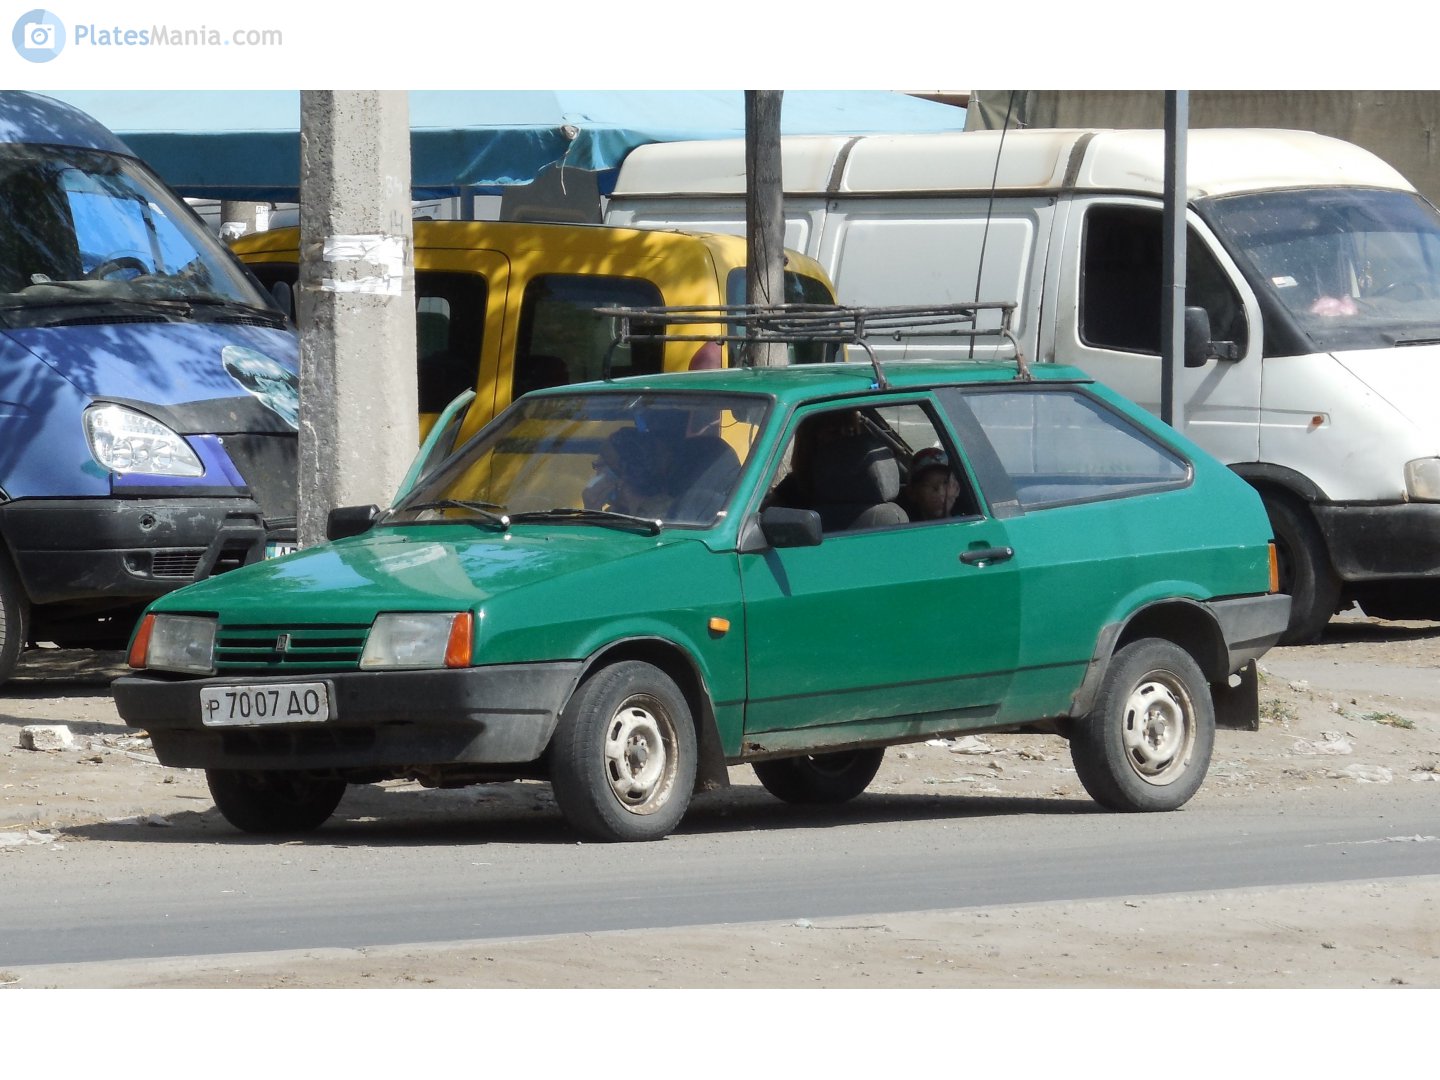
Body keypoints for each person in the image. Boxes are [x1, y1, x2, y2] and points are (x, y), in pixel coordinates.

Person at [896, 446, 957, 521]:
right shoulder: (907, 528)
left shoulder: (967, 519)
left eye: (945, 483)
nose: (941, 492)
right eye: (929, 484)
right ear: (912, 493)